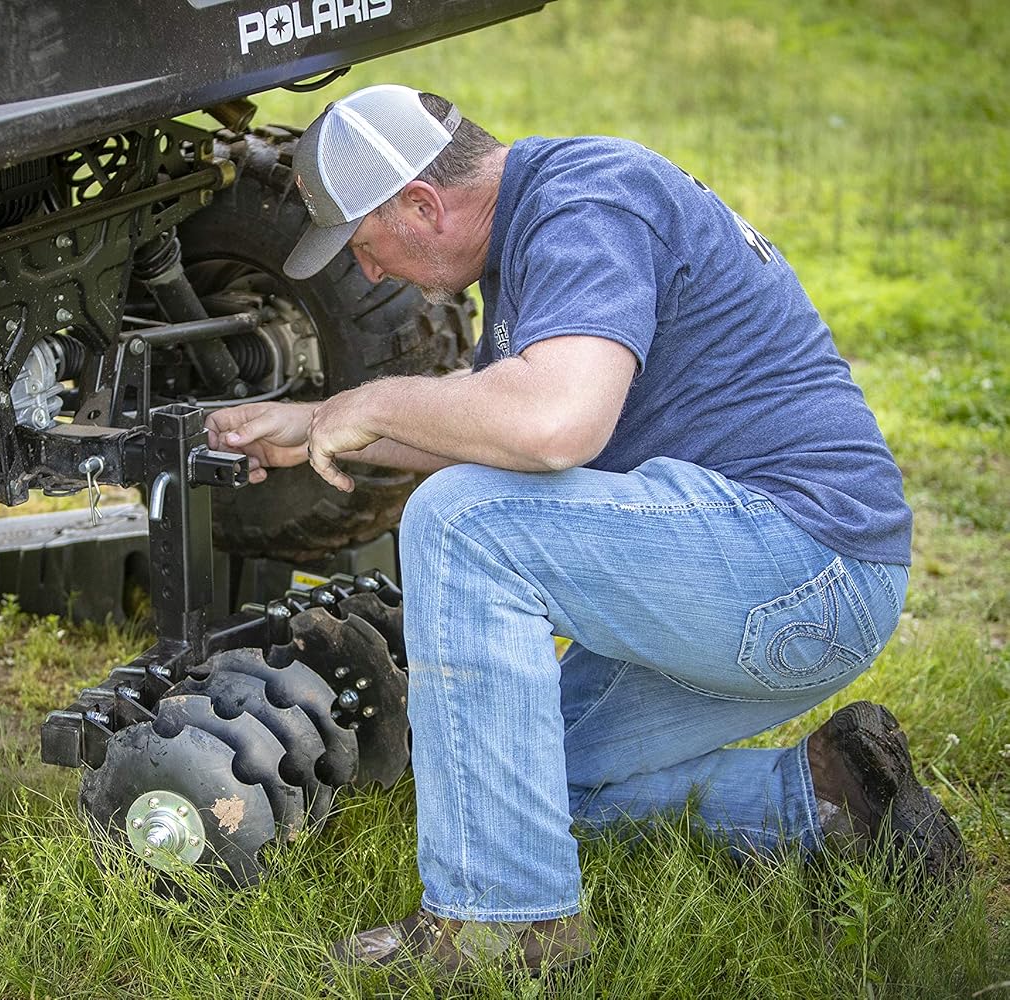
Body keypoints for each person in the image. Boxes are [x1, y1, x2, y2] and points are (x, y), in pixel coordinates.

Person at [203, 84, 967, 979]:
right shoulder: (540, 234)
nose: (368, 274)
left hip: (799, 567)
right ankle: (830, 804)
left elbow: (553, 428)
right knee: (516, 780)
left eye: (364, 247)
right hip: (777, 582)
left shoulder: (587, 200)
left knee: (460, 524)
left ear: (420, 203)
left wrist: (368, 400)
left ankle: (503, 927)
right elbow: (507, 435)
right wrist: (317, 420)